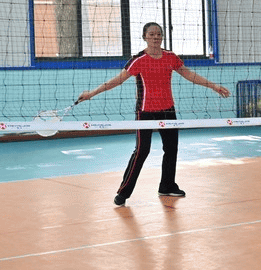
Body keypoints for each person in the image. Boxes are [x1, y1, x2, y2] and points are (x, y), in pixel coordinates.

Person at [77, 22, 230, 206]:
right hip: (145, 112)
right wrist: (91, 94)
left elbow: (189, 75)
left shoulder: (171, 57)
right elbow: (117, 80)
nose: (156, 37)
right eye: (151, 34)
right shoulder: (138, 59)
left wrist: (213, 86)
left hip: (167, 110)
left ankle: (167, 186)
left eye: (158, 34)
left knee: (171, 149)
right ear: (144, 37)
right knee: (142, 151)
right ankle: (123, 192)